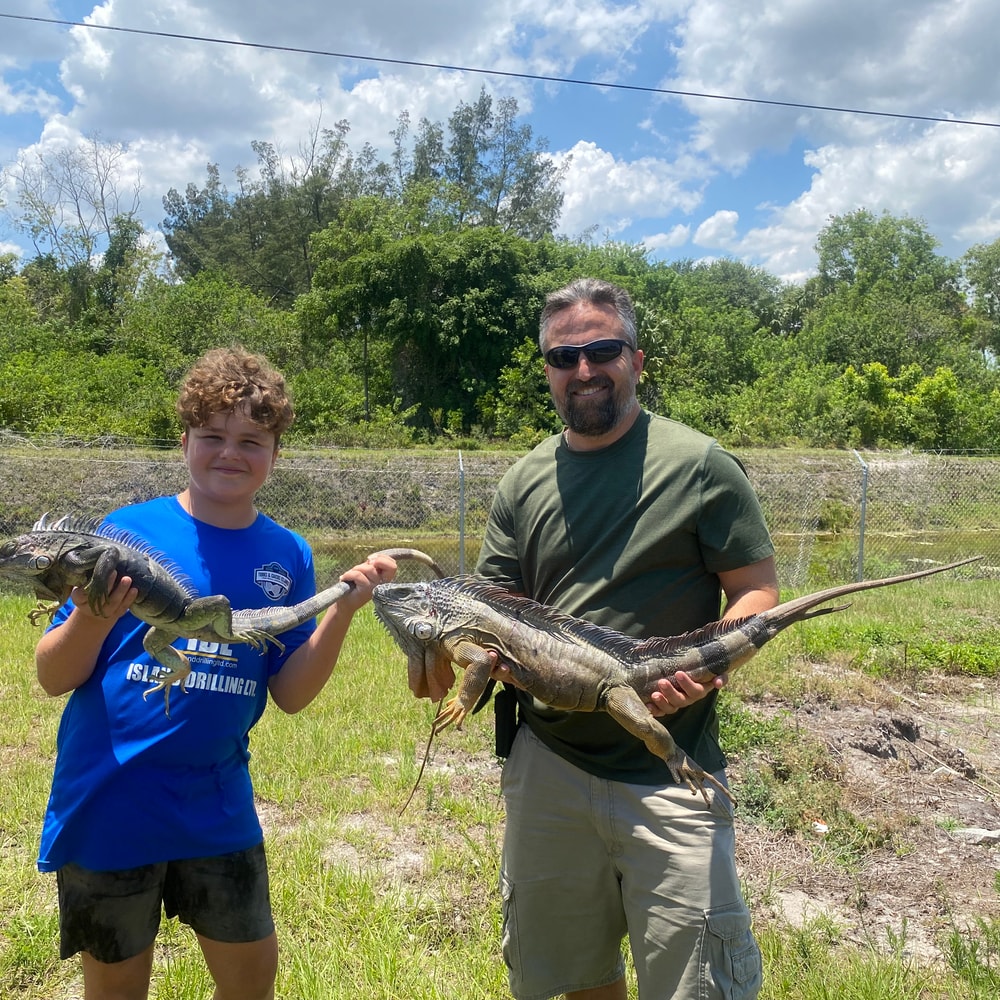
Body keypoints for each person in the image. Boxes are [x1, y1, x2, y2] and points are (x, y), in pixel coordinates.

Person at [413, 278, 779, 1000]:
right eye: (564, 356)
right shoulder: (523, 481)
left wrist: (704, 670)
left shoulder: (699, 465)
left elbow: (755, 591)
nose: (584, 369)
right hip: (548, 767)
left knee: (695, 984)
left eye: (602, 350)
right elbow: (493, 612)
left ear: (636, 359)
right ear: (547, 369)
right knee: (573, 978)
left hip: (673, 773)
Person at [35, 347, 398, 1000]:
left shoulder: (288, 553)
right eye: (213, 436)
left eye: (251, 440)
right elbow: (52, 674)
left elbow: (290, 692)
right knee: (114, 988)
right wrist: (94, 616)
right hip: (111, 800)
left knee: (251, 976)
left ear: (276, 453)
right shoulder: (125, 532)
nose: (230, 452)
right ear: (184, 441)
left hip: (217, 802)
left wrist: (343, 610)